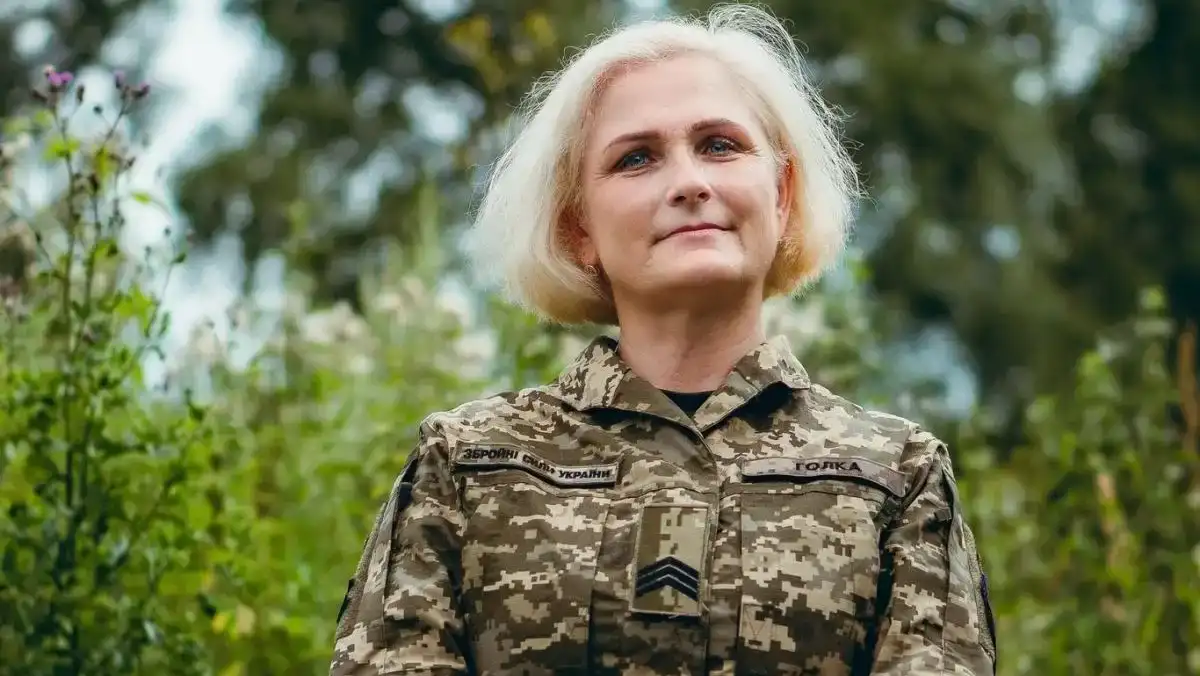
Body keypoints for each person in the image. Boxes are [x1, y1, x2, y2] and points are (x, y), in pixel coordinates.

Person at [329, 3, 997, 675]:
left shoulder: (897, 476)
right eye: (637, 158)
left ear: (781, 194)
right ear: (579, 227)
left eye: (720, 145)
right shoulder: (466, 465)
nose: (689, 183)